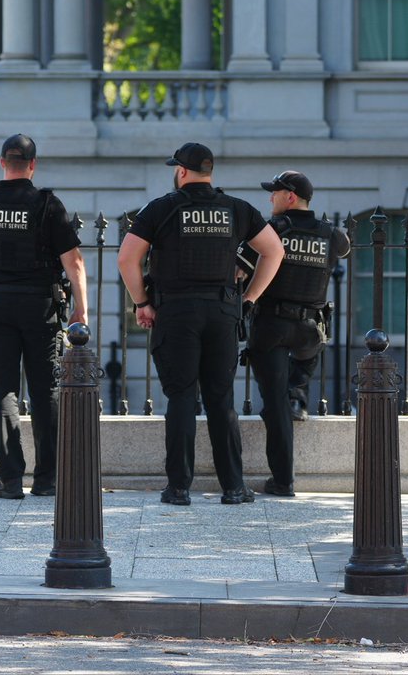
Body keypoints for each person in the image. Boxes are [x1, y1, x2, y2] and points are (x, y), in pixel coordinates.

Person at [117, 143, 284, 507]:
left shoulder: (161, 208)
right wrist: (249, 298)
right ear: (209, 172)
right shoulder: (236, 209)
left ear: (181, 171)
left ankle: (178, 488)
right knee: (221, 400)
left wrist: (142, 302)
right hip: (222, 313)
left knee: (180, 398)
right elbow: (274, 251)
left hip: (175, 313)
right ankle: (234, 487)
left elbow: (127, 258)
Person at [0, 134, 88, 499]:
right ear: (32, 165)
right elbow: (73, 262)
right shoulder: (47, 205)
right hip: (40, 307)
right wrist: (81, 309)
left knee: (3, 389)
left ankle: (10, 479)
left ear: (1, 163)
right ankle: (47, 480)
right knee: (46, 391)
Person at [238, 170, 350, 498]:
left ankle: (283, 481)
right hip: (310, 330)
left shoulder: (272, 230)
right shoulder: (333, 234)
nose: (270, 198)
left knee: (274, 405)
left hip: (272, 324)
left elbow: (240, 265)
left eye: (274, 192)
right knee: (297, 377)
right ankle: (298, 393)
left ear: (289, 196)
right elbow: (343, 252)